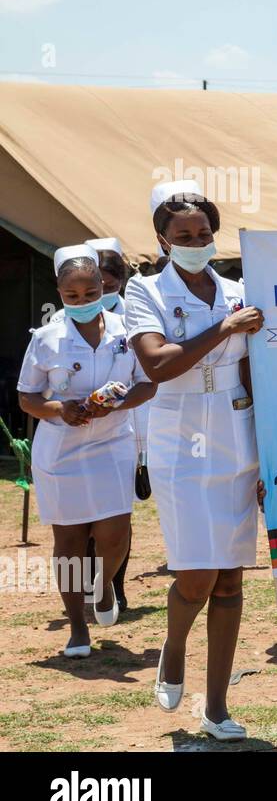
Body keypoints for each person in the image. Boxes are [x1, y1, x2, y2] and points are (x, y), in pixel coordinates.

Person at [126, 180, 265, 741]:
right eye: (183, 234)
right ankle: (174, 645)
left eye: (204, 232)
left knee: (230, 578)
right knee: (197, 573)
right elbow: (157, 366)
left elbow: (256, 366)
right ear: (162, 239)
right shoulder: (144, 292)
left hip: (236, 432)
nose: (196, 240)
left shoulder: (239, 289)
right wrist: (224, 328)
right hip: (180, 437)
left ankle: (217, 708)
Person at [17, 246, 155, 658]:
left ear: (104, 287)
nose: (82, 301)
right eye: (71, 296)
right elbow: (27, 397)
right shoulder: (46, 338)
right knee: (70, 540)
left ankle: (105, 584)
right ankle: (78, 627)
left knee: (115, 533)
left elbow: (147, 383)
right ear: (59, 292)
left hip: (112, 440)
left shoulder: (127, 330)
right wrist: (59, 409)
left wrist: (118, 403)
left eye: (91, 292)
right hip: (60, 449)